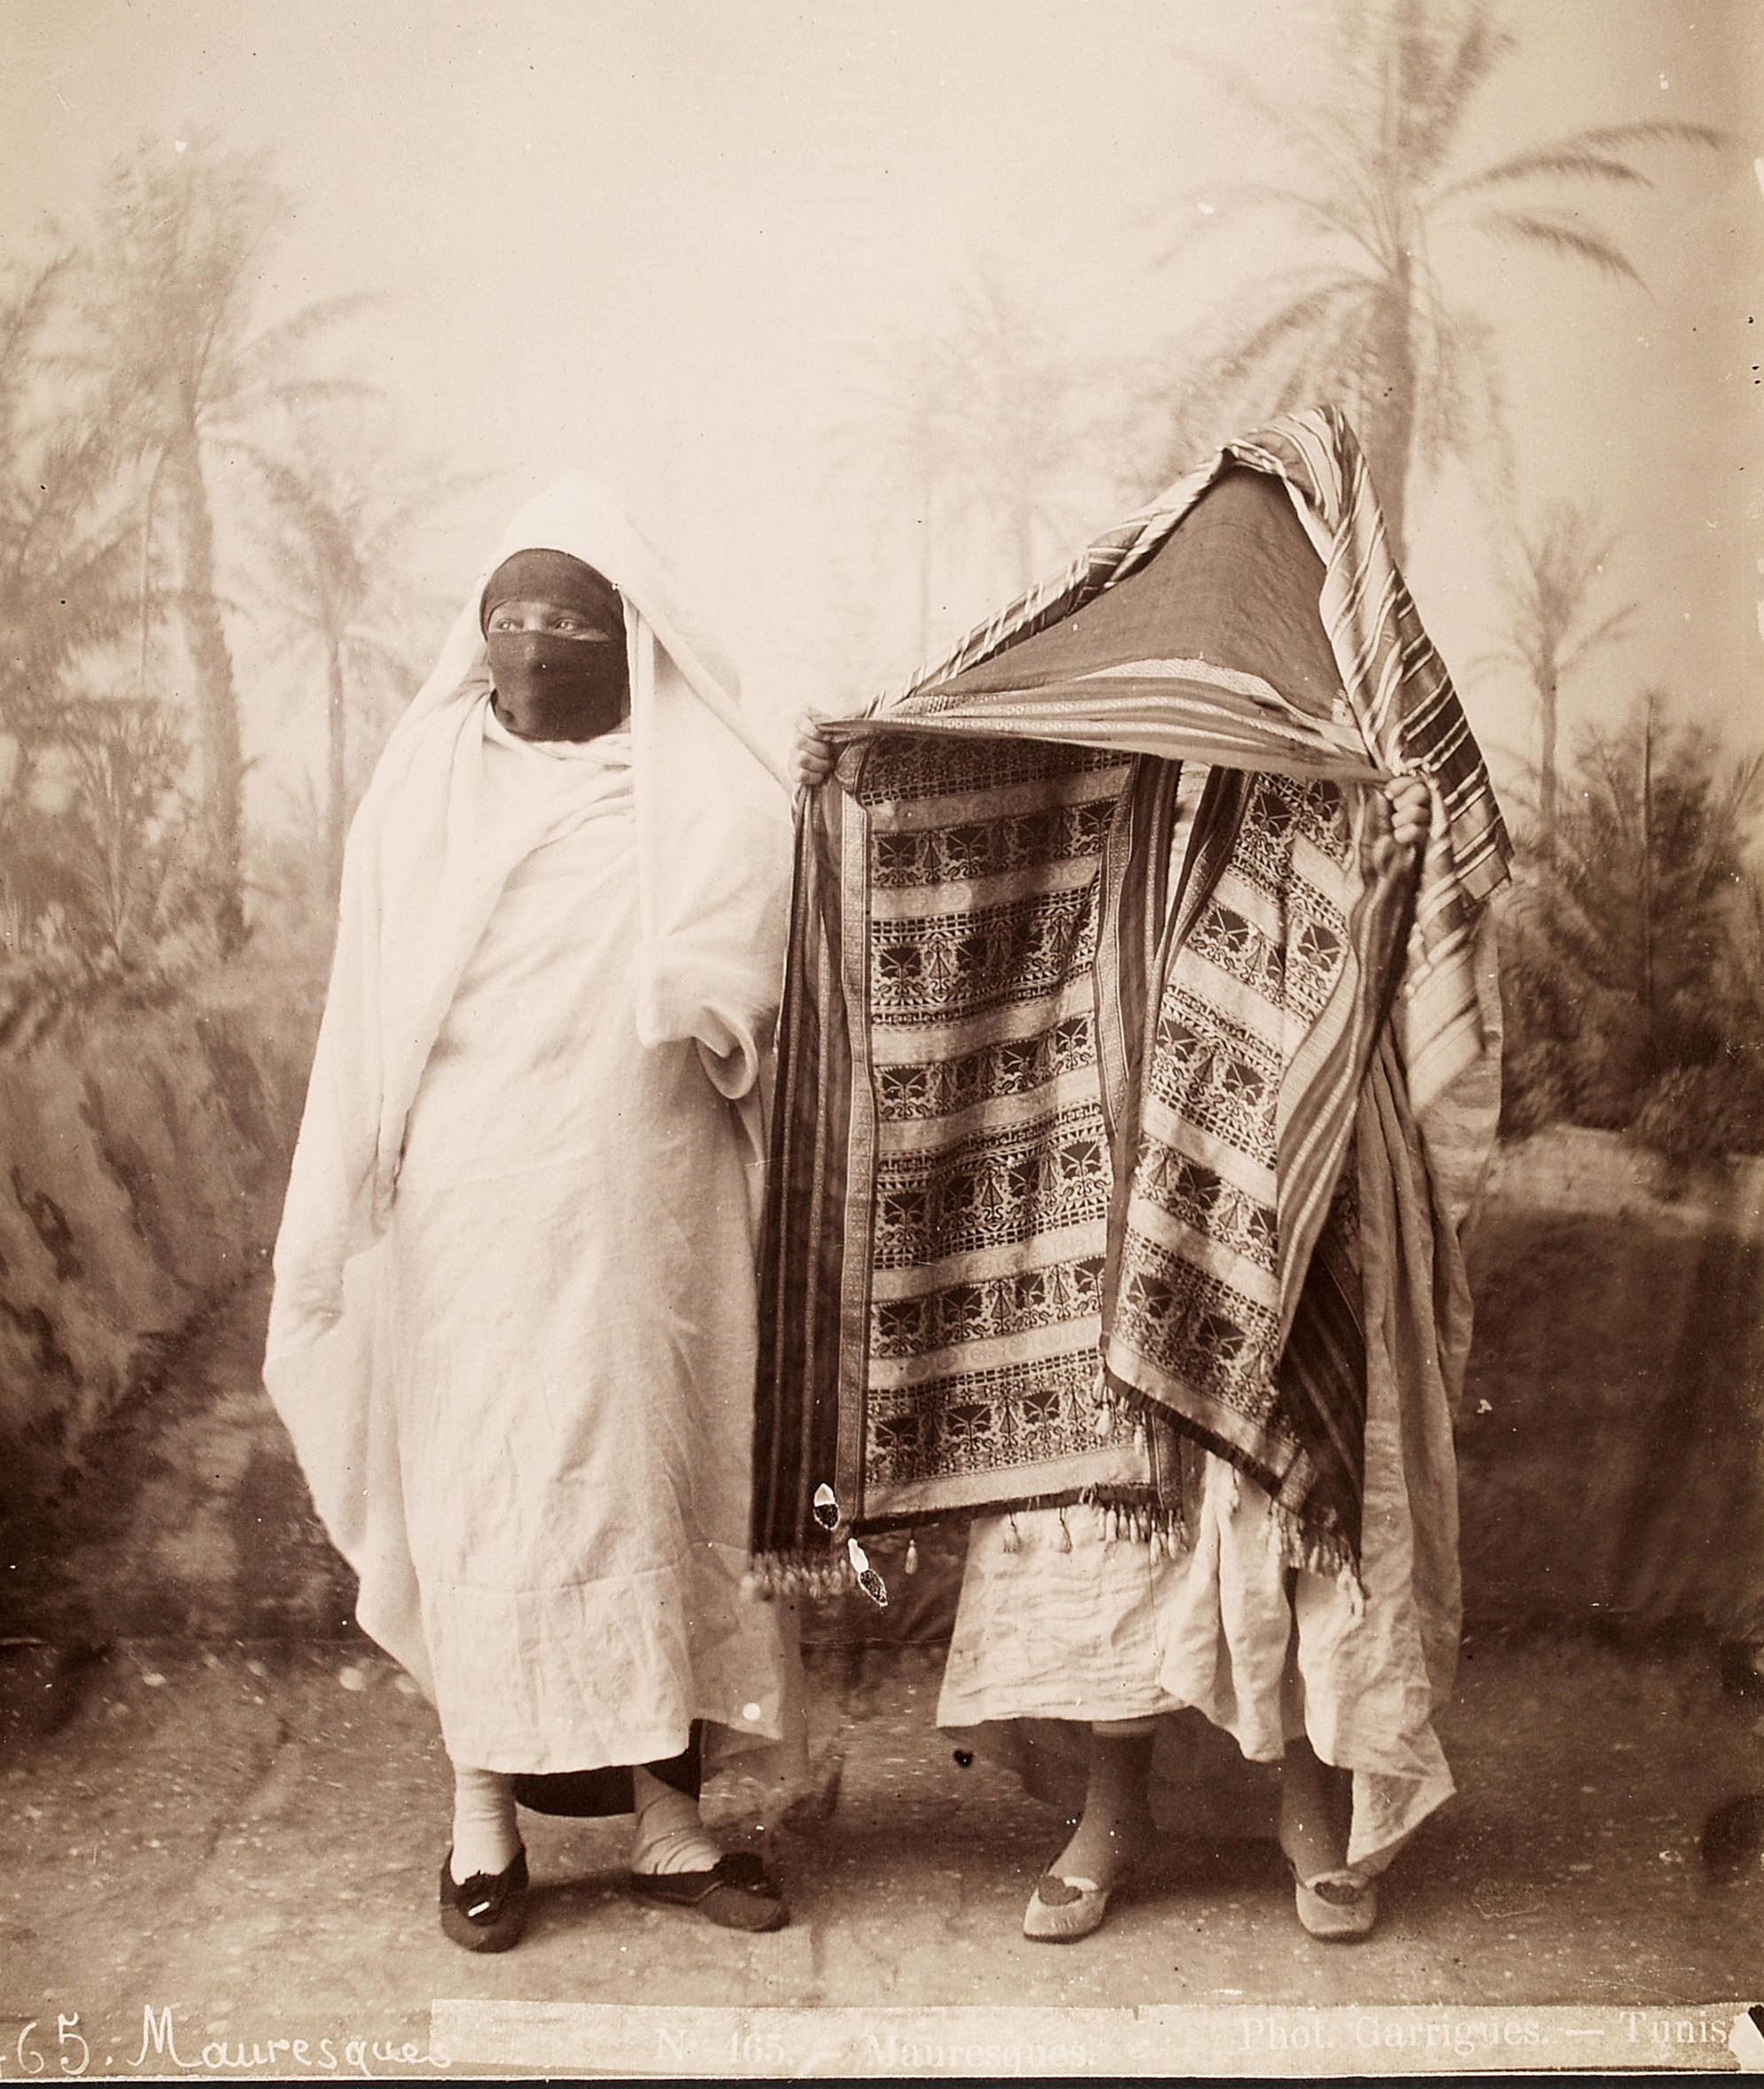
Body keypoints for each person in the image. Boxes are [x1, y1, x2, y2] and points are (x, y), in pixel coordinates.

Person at [761, 408, 1508, 1948]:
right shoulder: (1096, 741)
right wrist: (856, 763)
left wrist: (1403, 852)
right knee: (1108, 1505)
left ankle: (1310, 1809)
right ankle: (1114, 1811)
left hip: (1299, 1195)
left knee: (1275, 1498)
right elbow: (961, 815)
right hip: (1096, 1168)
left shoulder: (1365, 741)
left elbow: (1440, 955)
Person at [266, 474, 800, 1953]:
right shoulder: (423, 786)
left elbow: (760, 971)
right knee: (484, 1490)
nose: (540, 644)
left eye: (573, 620)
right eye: (514, 618)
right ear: (478, 633)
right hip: (473, 1207)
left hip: (648, 1206)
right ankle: (480, 1825)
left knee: (649, 1474)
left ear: (630, 637)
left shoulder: (702, 789)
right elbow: (374, 997)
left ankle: (672, 1822)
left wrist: (716, 1000)